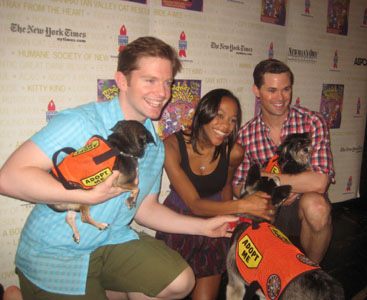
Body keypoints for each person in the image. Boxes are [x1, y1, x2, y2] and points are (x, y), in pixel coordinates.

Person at [0, 36, 239, 300]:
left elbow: (145, 209)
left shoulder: (154, 146)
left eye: (167, 82)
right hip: (55, 253)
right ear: (122, 81)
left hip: (109, 242)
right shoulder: (82, 122)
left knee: (181, 281)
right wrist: (86, 197)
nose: (162, 93)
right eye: (150, 80)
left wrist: (203, 227)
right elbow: (9, 178)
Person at [155, 89, 274, 300]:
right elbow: (194, 204)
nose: (226, 126)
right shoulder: (171, 146)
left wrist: (228, 223)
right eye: (219, 116)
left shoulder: (234, 152)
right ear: (204, 112)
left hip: (215, 227)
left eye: (232, 120)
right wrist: (243, 206)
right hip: (178, 223)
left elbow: (226, 187)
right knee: (170, 290)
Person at [232, 59, 335, 264]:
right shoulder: (245, 134)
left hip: (302, 204)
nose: (280, 98)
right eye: (272, 90)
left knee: (318, 207)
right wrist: (275, 192)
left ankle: (310, 272)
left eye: (286, 89)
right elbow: (238, 187)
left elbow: (320, 182)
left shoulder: (313, 121)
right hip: (268, 205)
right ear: (257, 90)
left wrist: (267, 176)